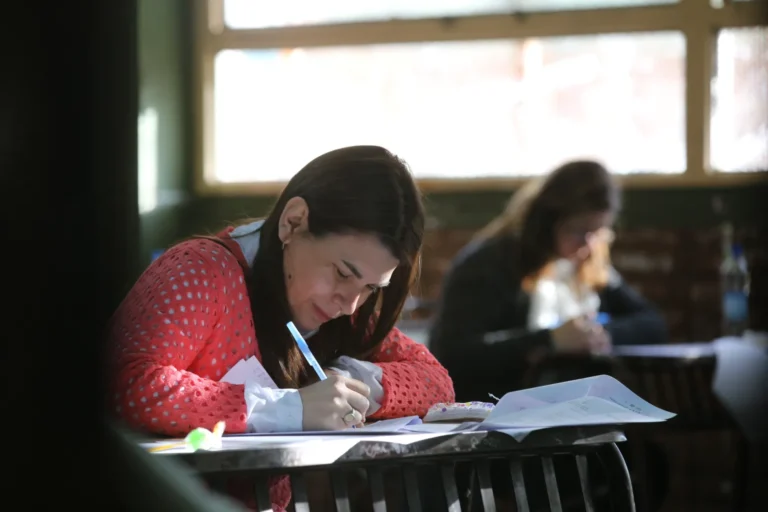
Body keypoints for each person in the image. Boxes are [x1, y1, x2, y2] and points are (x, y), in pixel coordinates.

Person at [108, 145, 455, 511]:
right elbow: (124, 384)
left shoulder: (344, 307)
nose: (350, 304)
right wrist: (289, 408)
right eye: (341, 272)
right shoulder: (202, 271)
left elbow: (436, 382)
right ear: (293, 222)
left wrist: (356, 384)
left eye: (370, 288)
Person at [428, 160, 666, 402]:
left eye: (598, 232)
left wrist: (600, 334)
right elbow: (452, 355)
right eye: (578, 231)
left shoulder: (587, 263)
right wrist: (549, 340)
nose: (589, 245)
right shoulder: (491, 264)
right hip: (500, 412)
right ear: (546, 223)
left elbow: (653, 322)